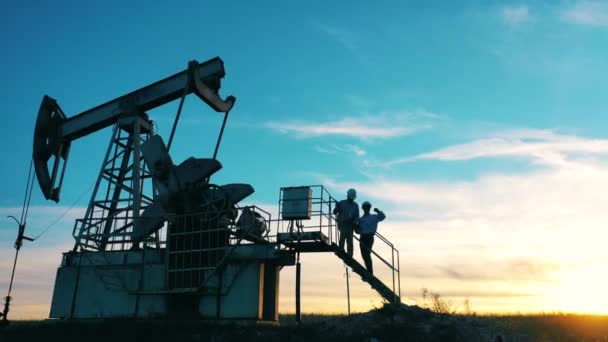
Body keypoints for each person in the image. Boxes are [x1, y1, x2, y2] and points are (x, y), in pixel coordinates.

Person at [358, 201, 385, 275]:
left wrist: (378, 211)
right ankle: (368, 271)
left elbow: (382, 217)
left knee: (367, 254)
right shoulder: (361, 219)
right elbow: (358, 230)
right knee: (364, 255)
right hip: (363, 237)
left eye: (368, 207)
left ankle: (370, 272)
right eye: (365, 207)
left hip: (369, 237)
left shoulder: (374, 217)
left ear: (369, 208)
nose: (367, 208)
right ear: (363, 208)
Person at [333, 188, 359, 257]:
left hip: (350, 224)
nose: (351, 199)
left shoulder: (355, 205)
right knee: (343, 237)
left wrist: (354, 222)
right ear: (348, 196)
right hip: (343, 224)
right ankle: (341, 250)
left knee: (349, 241)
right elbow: (335, 212)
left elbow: (357, 216)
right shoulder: (341, 203)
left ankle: (350, 255)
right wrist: (337, 207)